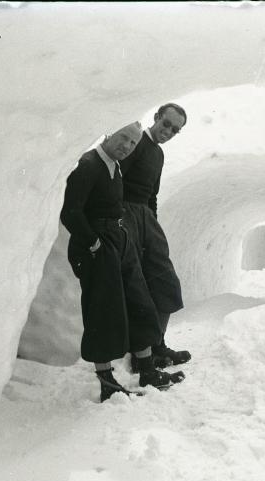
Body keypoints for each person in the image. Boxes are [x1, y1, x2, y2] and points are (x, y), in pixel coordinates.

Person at [61, 122, 184, 402]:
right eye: (123, 138)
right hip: (97, 245)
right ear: (108, 133)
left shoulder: (115, 167)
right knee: (102, 312)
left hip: (119, 239)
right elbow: (71, 212)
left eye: (132, 143)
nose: (127, 146)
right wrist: (93, 243)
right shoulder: (89, 164)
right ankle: (107, 382)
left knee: (140, 301)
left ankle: (148, 370)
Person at [119, 103, 191, 370]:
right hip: (125, 217)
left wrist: (153, 228)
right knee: (137, 289)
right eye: (166, 125)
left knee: (166, 282)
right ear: (156, 118)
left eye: (175, 130)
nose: (169, 131)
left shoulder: (158, 155)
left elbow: (152, 195)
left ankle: (158, 345)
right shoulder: (135, 143)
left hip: (146, 220)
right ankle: (142, 356)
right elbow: (115, 182)